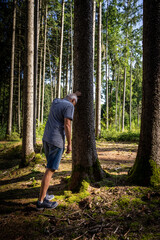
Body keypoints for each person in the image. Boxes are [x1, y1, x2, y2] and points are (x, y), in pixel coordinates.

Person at [36, 92, 81, 210]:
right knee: (50, 170)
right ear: (73, 102)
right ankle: (41, 202)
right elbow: (67, 124)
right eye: (74, 104)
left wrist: (75, 94)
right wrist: (70, 144)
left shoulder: (56, 101)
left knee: (49, 168)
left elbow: (66, 98)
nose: (73, 108)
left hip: (46, 138)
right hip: (56, 141)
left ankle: (44, 195)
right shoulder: (70, 106)